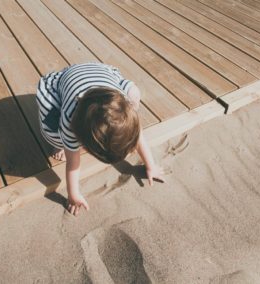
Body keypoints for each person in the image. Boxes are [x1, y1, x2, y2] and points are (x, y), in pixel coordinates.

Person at [36, 62, 165, 216]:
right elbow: (73, 164)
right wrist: (73, 194)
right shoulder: (69, 122)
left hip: (100, 73)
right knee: (57, 136)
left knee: (134, 93)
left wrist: (151, 166)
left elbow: (138, 137)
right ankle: (62, 144)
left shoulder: (122, 104)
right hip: (63, 80)